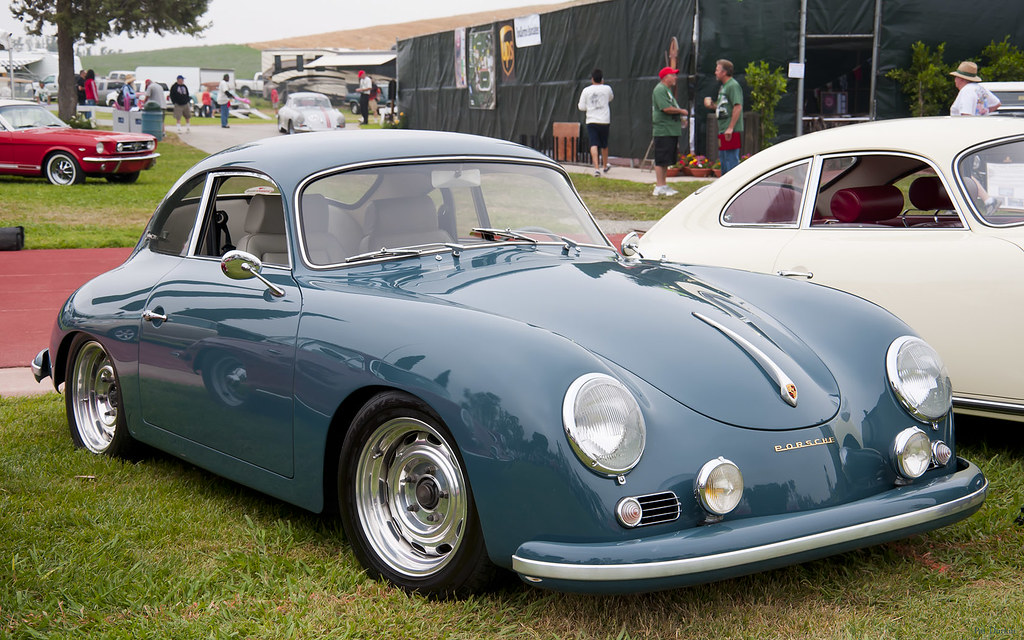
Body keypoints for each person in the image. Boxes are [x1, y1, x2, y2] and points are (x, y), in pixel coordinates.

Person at [651, 66, 688, 196]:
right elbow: (666, 108)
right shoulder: (660, 89)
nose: (676, 77)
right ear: (666, 77)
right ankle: (659, 186)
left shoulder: (667, 90)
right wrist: (681, 111)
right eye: (673, 75)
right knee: (661, 158)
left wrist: (681, 119)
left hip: (670, 129)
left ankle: (664, 185)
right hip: (663, 130)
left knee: (666, 159)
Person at [704, 59, 744, 175]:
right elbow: (723, 107)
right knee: (724, 161)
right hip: (723, 129)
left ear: (724, 72)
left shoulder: (733, 86)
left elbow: (737, 107)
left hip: (730, 131)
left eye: (717, 70)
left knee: (731, 161)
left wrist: (731, 127)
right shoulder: (724, 87)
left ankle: (733, 187)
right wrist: (712, 105)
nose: (715, 72)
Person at [578, 68, 614, 177]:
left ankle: (596, 168)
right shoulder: (607, 88)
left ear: (592, 79)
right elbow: (610, 98)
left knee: (594, 143)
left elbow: (581, 107)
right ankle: (604, 165)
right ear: (602, 79)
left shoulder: (586, 90)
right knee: (604, 144)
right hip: (604, 120)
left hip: (591, 120)